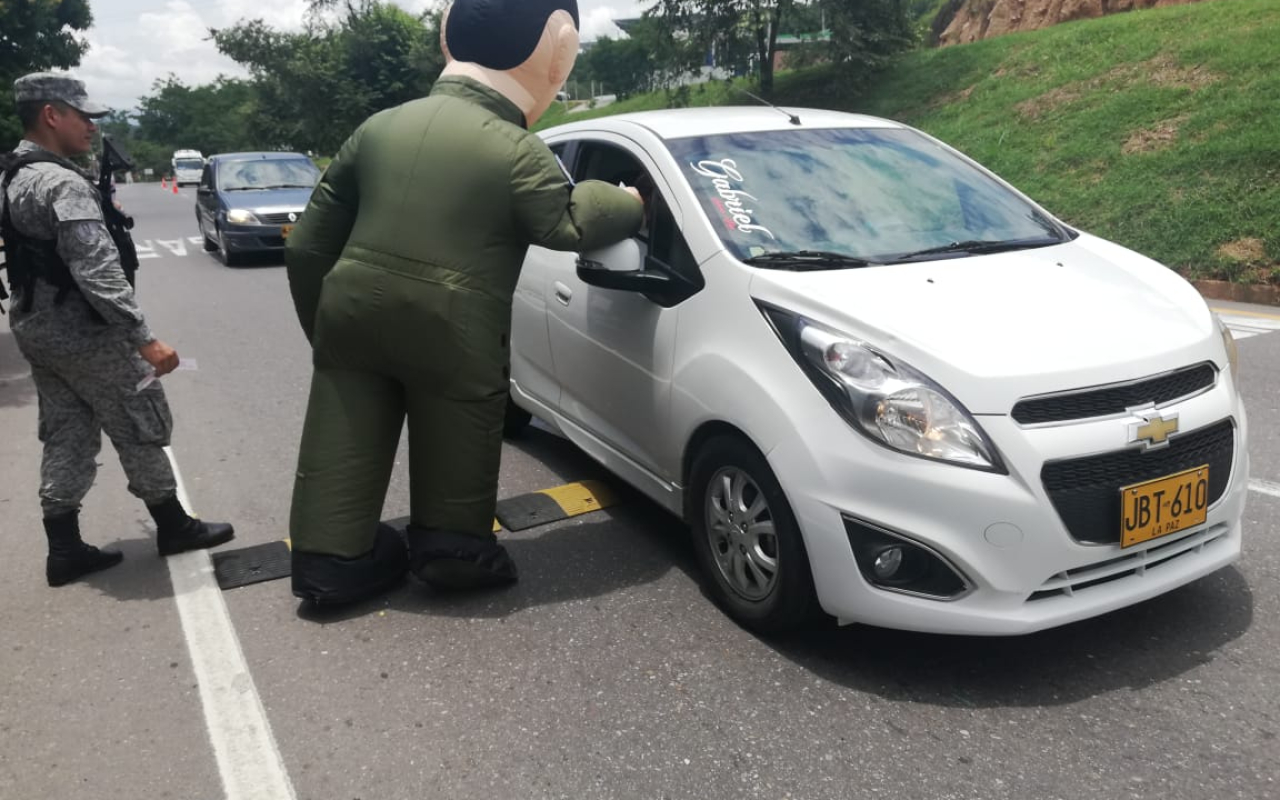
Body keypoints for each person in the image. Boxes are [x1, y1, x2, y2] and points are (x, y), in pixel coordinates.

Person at [284, 0, 645, 605]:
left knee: (341, 436)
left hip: (351, 311)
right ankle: (452, 551)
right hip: (452, 328)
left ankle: (330, 563)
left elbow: (309, 247)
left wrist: (327, 331)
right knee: (456, 428)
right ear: (559, 51)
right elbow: (568, 223)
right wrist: (631, 201)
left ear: (446, 37)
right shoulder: (514, 149)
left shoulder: (379, 127)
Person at [1, 73, 235, 587]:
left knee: (67, 432)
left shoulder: (16, 173)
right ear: (51, 115)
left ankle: (63, 548)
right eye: (83, 115)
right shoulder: (60, 182)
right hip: (86, 332)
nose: (92, 126)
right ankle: (175, 526)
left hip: (39, 326)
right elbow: (95, 268)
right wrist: (143, 338)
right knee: (139, 419)